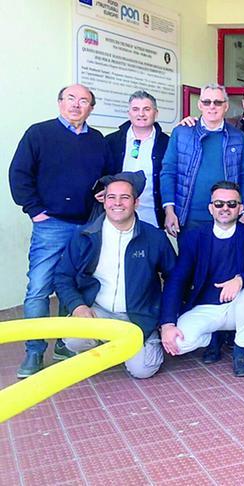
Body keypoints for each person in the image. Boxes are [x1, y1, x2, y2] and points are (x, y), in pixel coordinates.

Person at [9, 83, 116, 378]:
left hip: (86, 226)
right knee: (39, 288)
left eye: (84, 101)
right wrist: (34, 211)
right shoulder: (39, 133)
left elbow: (107, 176)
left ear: (91, 108)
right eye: (71, 98)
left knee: (73, 285)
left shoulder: (97, 140)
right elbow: (19, 174)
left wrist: (103, 190)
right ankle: (34, 351)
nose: (76, 105)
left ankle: (63, 344)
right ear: (60, 102)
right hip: (51, 225)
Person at [53, 172, 175, 379]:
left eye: (125, 197)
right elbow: (63, 276)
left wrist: (165, 319)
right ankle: (109, 344)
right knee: (74, 340)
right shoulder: (85, 235)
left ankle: (129, 344)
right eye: (111, 197)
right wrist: (78, 306)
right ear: (103, 201)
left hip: (138, 317)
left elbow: (174, 277)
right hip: (98, 311)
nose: (117, 203)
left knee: (143, 370)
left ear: (136, 202)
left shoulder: (154, 237)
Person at [159, 181, 244, 376]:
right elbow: (177, 279)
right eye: (219, 204)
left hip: (238, 307)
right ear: (211, 208)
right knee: (176, 343)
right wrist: (167, 323)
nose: (225, 208)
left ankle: (241, 351)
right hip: (205, 307)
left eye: (232, 204)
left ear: (240, 208)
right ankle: (213, 338)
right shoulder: (194, 237)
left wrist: (240, 280)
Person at [160, 83, 244, 237]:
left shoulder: (239, 137)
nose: (212, 106)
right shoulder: (181, 133)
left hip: (226, 217)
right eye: (207, 102)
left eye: (218, 102)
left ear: (226, 106)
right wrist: (169, 211)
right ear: (200, 105)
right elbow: (168, 172)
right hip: (188, 218)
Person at [105, 90, 170, 228]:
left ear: (156, 113)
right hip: (118, 216)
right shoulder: (111, 141)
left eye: (146, 109)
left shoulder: (167, 143)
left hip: (153, 217)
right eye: (135, 109)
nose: (141, 114)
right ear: (129, 113)